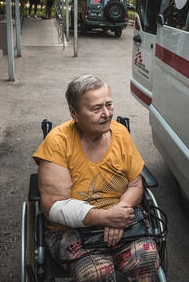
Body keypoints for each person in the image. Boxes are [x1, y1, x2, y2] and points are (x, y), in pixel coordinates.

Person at [33, 75, 160, 282]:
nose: (107, 114)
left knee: (147, 259)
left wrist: (118, 216)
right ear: (74, 113)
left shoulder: (120, 134)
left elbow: (136, 184)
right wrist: (106, 217)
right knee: (96, 274)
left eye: (109, 105)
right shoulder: (57, 142)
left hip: (121, 217)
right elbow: (54, 207)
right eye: (96, 109)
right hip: (71, 230)